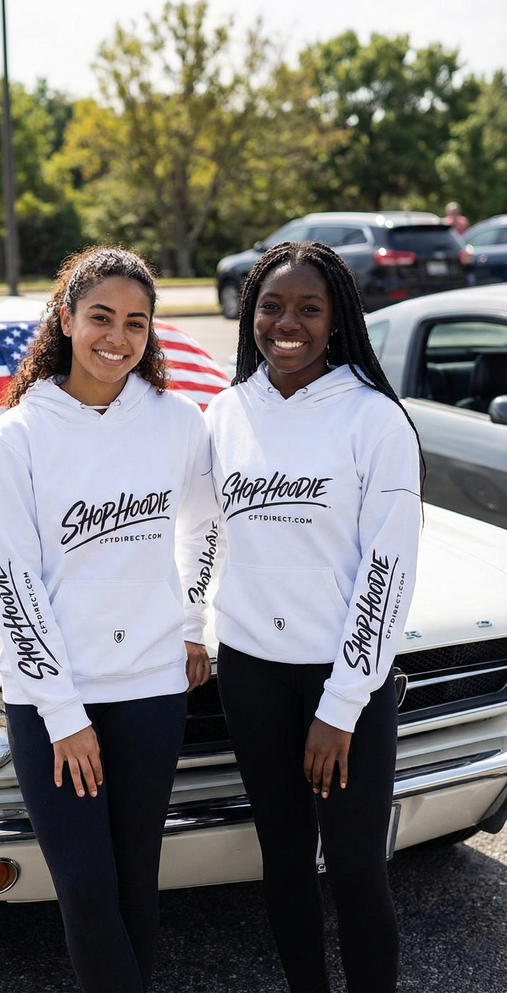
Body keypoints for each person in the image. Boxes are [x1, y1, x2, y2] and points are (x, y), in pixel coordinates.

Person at [0, 246, 218, 993]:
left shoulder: (178, 421)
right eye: (101, 318)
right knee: (84, 884)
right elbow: (12, 583)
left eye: (137, 323)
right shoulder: (19, 434)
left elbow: (204, 526)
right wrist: (63, 712)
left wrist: (190, 622)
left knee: (132, 880)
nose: (118, 337)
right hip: (56, 699)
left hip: (150, 689)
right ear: (66, 319)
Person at [205, 241, 423, 993]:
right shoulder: (226, 413)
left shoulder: (374, 420)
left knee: (359, 869)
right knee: (284, 859)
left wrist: (340, 706)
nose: (286, 322)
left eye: (307, 307)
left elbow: (387, 571)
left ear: (337, 320)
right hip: (250, 674)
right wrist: (190, 626)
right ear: (249, 313)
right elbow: (204, 536)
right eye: (271, 305)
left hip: (344, 681)